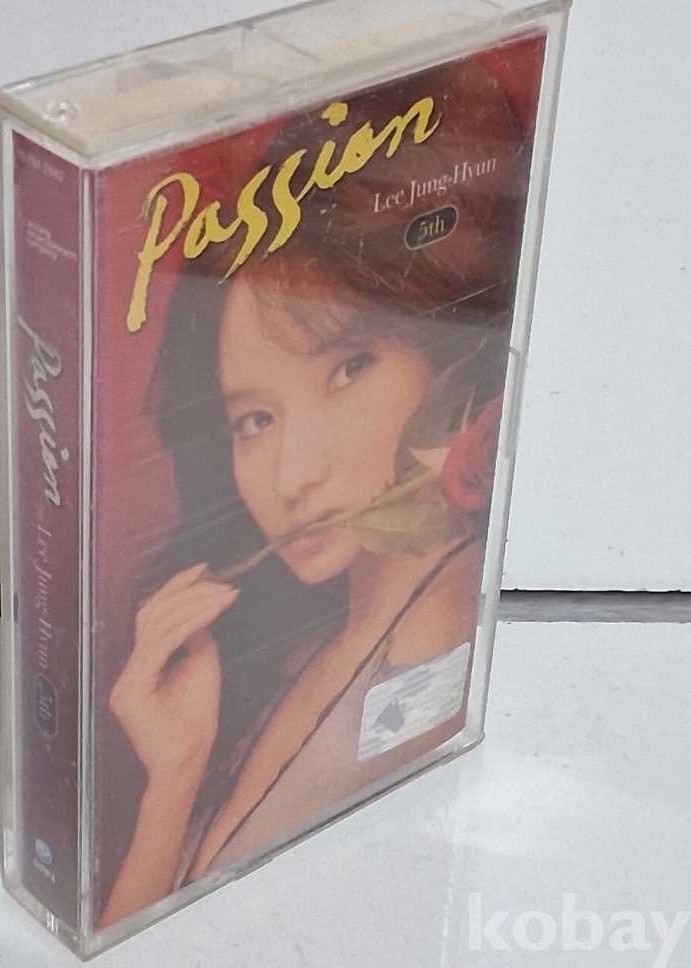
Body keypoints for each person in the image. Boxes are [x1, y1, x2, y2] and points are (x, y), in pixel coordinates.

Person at [99, 55, 532, 926]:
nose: (290, 478)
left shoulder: (428, 648)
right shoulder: (306, 653)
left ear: (452, 349)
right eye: (253, 420)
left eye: (347, 369)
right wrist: (174, 776)